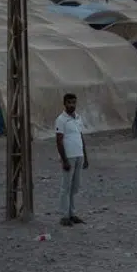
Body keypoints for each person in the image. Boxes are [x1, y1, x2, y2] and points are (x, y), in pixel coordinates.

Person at [55, 92, 88, 227]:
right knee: (66, 187)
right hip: (69, 156)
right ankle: (64, 216)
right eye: (69, 103)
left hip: (79, 155)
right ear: (64, 104)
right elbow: (59, 140)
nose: (71, 105)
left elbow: (80, 137)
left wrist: (85, 156)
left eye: (73, 102)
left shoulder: (78, 118)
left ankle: (72, 213)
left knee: (75, 187)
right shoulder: (61, 120)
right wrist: (64, 160)